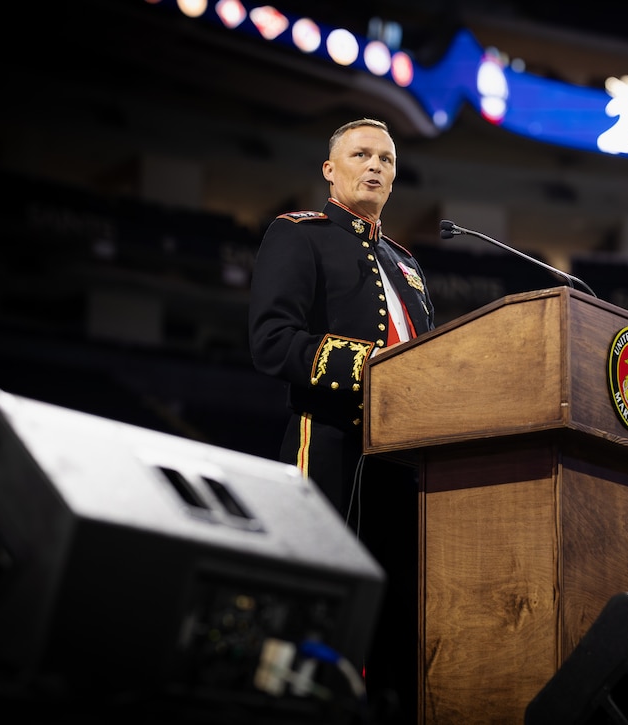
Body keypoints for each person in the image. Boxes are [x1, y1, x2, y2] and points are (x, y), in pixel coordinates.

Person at [247, 118, 436, 723]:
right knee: (313, 604)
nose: (376, 165)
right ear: (331, 170)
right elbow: (273, 341)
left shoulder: (408, 263)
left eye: (386, 157)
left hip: (406, 466)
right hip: (329, 446)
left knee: (397, 622)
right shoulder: (298, 235)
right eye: (361, 154)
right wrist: (376, 367)